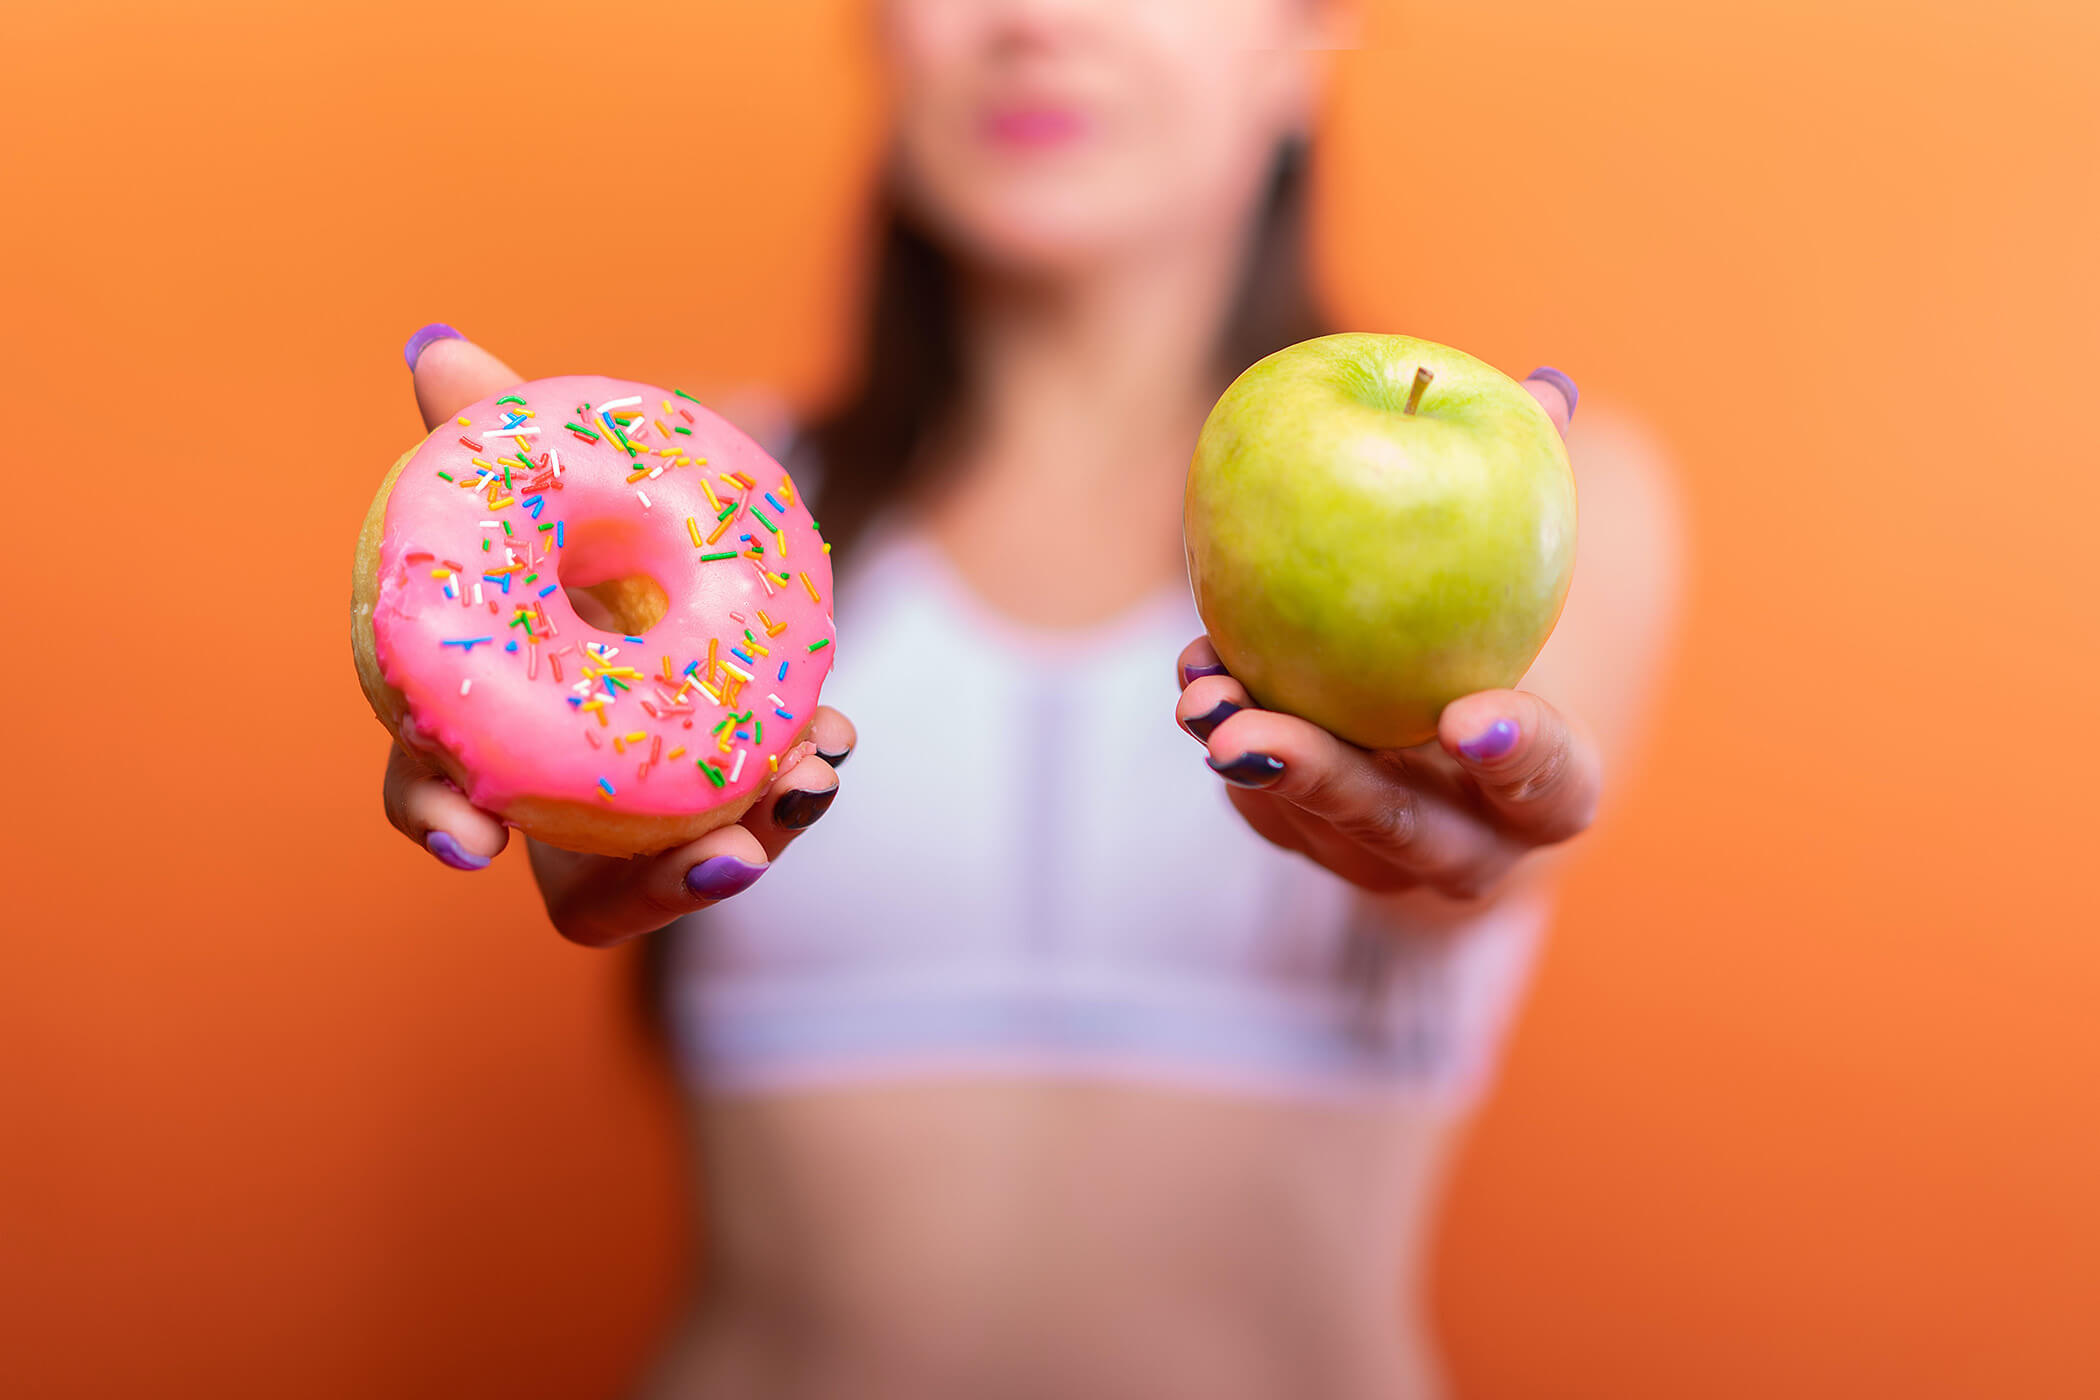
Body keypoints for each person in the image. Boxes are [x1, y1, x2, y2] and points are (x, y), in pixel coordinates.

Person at [382, 1, 1681, 1394]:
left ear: (1310, 37)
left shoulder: (1561, 499)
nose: (1035, 19)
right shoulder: (703, 507)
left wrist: (1433, 845)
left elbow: (1465, 863)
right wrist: (535, 733)